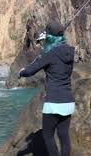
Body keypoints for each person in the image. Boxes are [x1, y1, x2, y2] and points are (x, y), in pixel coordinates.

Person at [18, 21, 75, 156]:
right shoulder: (70, 52)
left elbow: (31, 71)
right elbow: (56, 53)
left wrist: (22, 72)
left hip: (54, 102)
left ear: (49, 37)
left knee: (48, 135)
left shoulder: (49, 54)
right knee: (63, 134)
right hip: (68, 101)